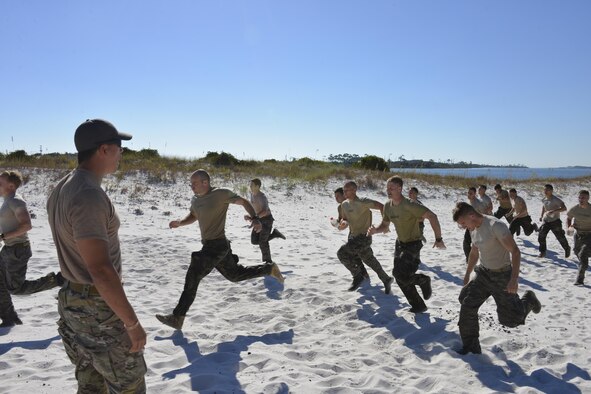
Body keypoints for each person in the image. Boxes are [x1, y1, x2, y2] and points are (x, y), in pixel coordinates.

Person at [46, 119, 147, 392]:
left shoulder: (64, 186)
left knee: (90, 384)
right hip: (95, 308)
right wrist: (132, 323)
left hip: (72, 301)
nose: (121, 153)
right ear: (103, 149)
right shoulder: (88, 194)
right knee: (129, 385)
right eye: (118, 147)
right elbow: (100, 269)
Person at [156, 169, 285, 330]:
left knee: (193, 275)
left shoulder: (221, 194)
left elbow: (244, 202)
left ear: (205, 182)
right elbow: (194, 216)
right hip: (215, 245)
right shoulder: (196, 200)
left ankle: (177, 317)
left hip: (217, 245)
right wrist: (180, 222)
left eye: (195, 183)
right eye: (191, 184)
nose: (192, 187)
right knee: (235, 275)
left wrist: (255, 219)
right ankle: (269, 268)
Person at [452, 202, 541, 355]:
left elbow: (515, 251)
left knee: (510, 320)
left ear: (471, 216)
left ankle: (528, 300)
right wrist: (467, 274)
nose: (463, 227)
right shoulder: (472, 228)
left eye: (463, 223)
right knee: (466, 303)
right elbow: (474, 252)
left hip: (502, 275)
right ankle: (471, 346)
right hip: (483, 273)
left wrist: (514, 280)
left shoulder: (495, 226)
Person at [368, 176, 446, 313]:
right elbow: (385, 225)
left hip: (414, 243)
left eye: (391, 188)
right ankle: (418, 305)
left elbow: (432, 216)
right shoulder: (387, 206)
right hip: (400, 243)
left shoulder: (410, 205)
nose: (389, 191)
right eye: (387, 188)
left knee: (398, 273)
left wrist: (438, 239)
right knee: (400, 277)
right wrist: (375, 230)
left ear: (400, 188)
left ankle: (422, 280)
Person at [0, 170, 62, 327]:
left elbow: (27, 225)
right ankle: (9, 318)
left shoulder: (16, 201)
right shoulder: (8, 201)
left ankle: (57, 279)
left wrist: (3, 236)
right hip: (9, 248)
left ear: (11, 185)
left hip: (17, 249)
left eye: (0, 183)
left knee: (16, 288)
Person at [336, 181, 393, 293]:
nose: (344, 192)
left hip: (364, 237)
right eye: (344, 190)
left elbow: (382, 207)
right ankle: (386, 279)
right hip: (353, 237)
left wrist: (384, 225)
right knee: (370, 260)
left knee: (342, 253)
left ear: (354, 190)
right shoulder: (344, 205)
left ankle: (358, 276)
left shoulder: (363, 202)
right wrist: (343, 223)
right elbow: (345, 219)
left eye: (347, 190)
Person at [244, 178, 285, 263]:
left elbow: (265, 211)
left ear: (257, 186)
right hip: (258, 220)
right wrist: (251, 217)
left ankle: (268, 263)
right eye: (250, 185)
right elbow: (255, 209)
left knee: (263, 242)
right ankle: (274, 234)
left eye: (252, 185)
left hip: (267, 220)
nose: (250, 186)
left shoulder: (262, 197)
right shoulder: (252, 194)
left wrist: (255, 218)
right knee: (254, 241)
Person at [332, 187, 368, 280]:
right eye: (335, 197)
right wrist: (336, 223)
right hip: (352, 232)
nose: (336, 198)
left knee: (362, 255)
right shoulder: (340, 207)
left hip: (361, 232)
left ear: (344, 195)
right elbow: (341, 220)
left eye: (338, 196)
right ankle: (363, 274)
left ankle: (362, 274)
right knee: (355, 254)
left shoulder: (353, 203)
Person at [537, 184, 570, 258]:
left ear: (551, 191)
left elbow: (564, 208)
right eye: (545, 190)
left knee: (560, 237)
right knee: (541, 236)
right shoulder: (544, 199)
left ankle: (567, 248)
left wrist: (554, 211)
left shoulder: (555, 199)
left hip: (555, 221)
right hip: (546, 221)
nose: (545, 191)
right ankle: (542, 252)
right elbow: (544, 207)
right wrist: (541, 215)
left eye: (547, 190)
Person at [566, 190, 591, 285]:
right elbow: (569, 218)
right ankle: (584, 263)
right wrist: (569, 226)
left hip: (589, 235)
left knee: (582, 254)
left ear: (588, 198)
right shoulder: (575, 209)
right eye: (580, 197)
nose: (581, 199)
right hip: (578, 234)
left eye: (583, 197)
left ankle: (580, 280)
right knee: (576, 251)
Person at [462, 187, 490, 262]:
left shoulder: (478, 204)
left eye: (471, 193)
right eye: (468, 193)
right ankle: (469, 260)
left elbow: (484, 215)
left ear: (474, 194)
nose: (469, 194)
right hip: (470, 226)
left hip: (478, 227)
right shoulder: (469, 202)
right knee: (466, 243)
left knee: (480, 245)